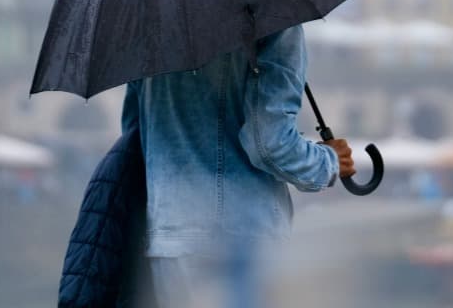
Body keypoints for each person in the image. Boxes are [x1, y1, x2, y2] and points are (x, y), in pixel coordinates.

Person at [123, 25, 357, 307]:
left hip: (169, 240)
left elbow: (135, 136)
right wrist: (329, 161)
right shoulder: (273, 16)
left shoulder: (152, 25)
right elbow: (270, 144)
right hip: (240, 242)